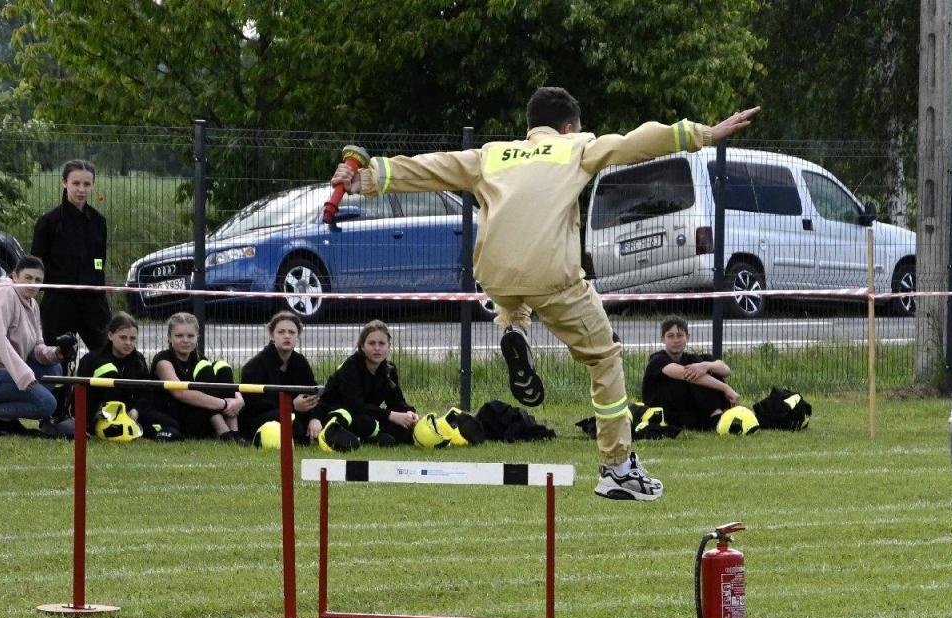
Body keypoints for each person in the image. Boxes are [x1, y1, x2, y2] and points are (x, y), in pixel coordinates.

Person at [329, 87, 760, 501]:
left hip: (495, 275)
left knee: (512, 301)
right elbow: (636, 143)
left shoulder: (492, 155)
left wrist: (364, 177)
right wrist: (701, 134)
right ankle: (617, 467)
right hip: (552, 274)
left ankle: (513, 330)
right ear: (569, 127)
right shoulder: (577, 148)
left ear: (529, 127)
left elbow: (429, 167)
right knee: (605, 357)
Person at [31, 159, 109, 422]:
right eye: (76, 183)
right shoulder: (48, 223)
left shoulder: (99, 222)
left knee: (104, 352)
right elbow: (36, 266)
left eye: (87, 184)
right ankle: (55, 413)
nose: (81, 189)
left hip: (92, 302)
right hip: (59, 301)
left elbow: (100, 262)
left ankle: (100, 408)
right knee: (58, 357)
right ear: (64, 183)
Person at [0, 255, 73, 432]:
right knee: (47, 404)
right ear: (15, 276)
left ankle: (5, 419)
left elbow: (36, 347)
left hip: (3, 371)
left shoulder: (33, 304)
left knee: (54, 370)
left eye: (38, 280)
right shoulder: (3, 294)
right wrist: (25, 377)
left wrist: (58, 353)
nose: (32, 283)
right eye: (28, 277)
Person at [315, 320, 418, 448]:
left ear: (388, 346)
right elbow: (355, 405)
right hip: (341, 412)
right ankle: (363, 437)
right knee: (366, 423)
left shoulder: (389, 369)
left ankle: (377, 437)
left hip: (368, 414)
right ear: (362, 346)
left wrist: (410, 413)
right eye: (372, 343)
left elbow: (396, 401)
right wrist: (391, 415)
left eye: (382, 343)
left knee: (405, 428)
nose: (377, 348)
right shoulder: (351, 366)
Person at [151, 312, 243, 440]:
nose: (185, 340)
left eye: (190, 336)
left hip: (200, 413)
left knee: (222, 366)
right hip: (175, 415)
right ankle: (223, 431)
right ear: (169, 338)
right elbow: (180, 393)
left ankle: (234, 432)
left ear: (197, 337)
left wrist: (238, 400)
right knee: (204, 388)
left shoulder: (199, 359)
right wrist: (224, 404)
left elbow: (222, 384)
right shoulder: (163, 360)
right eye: (179, 336)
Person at [238, 311, 321, 445]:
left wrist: (315, 419)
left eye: (292, 332)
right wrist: (292, 406)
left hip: (294, 415)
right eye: (281, 332)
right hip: (261, 418)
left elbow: (312, 395)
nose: (287, 336)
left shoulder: (300, 362)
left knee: (321, 419)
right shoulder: (255, 365)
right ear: (272, 335)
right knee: (294, 424)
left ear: (298, 335)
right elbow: (255, 405)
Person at [641, 317, 739, 431]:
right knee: (695, 375)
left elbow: (726, 370)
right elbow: (686, 375)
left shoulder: (690, 358)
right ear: (663, 339)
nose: (676, 340)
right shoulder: (657, 360)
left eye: (680, 335)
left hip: (687, 409)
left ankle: (722, 415)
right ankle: (717, 418)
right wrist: (725, 388)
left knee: (705, 365)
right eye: (670, 336)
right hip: (666, 413)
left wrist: (706, 366)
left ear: (688, 337)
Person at [81, 312, 161, 438]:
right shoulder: (91, 360)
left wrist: (137, 410)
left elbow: (147, 392)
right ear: (110, 335)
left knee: (170, 426)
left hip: (130, 413)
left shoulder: (138, 360)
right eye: (123, 338)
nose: (128, 343)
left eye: (132, 338)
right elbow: (82, 396)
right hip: (101, 413)